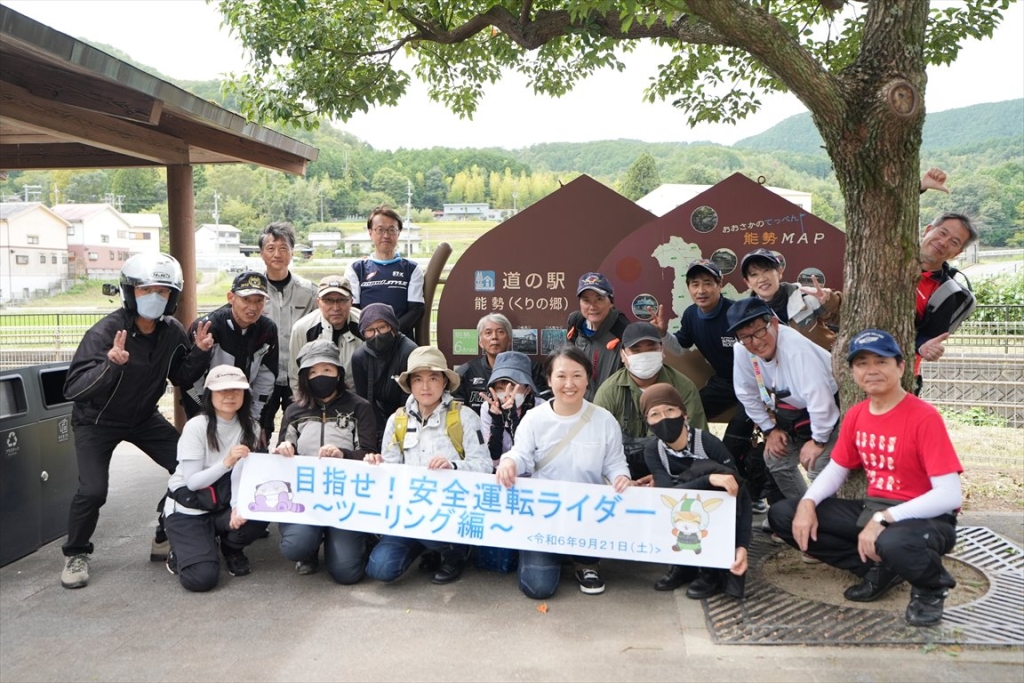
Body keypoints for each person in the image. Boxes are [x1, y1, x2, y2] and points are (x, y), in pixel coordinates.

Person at [768, 329, 963, 627]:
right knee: (784, 514)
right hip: (874, 509)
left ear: (900, 367)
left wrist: (885, 518)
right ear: (852, 372)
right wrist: (808, 501)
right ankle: (879, 568)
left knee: (895, 542)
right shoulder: (857, 414)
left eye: (881, 361)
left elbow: (949, 495)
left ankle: (930, 588)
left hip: (927, 519)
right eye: (862, 363)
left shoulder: (924, 417)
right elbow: (837, 468)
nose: (871, 370)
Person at [59, 253, 212, 590]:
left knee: (187, 467)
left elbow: (181, 376)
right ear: (129, 292)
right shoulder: (106, 332)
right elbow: (74, 389)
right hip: (96, 421)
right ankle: (76, 553)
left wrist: (199, 352)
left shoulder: (171, 332)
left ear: (173, 297)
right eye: (145, 290)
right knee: (93, 490)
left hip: (143, 417)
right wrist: (111, 365)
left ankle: (164, 532)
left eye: (162, 291)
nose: (154, 297)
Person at [496, 345, 633, 599]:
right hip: (544, 514)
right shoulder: (535, 419)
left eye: (577, 375)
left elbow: (614, 463)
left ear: (587, 378)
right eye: (561, 376)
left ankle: (585, 562)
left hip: (587, 515)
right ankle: (545, 554)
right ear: (549, 380)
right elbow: (521, 454)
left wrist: (621, 478)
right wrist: (509, 462)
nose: (569, 383)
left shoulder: (604, 420)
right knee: (539, 587)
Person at [364, 346, 491, 585]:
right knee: (380, 569)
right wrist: (376, 465)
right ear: (409, 383)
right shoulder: (397, 420)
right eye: (418, 379)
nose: (425, 386)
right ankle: (427, 548)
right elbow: (390, 470)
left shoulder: (464, 417)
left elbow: (484, 465)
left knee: (435, 535)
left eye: (433, 378)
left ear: (445, 382)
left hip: (451, 510)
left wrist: (453, 466)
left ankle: (456, 553)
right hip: (410, 512)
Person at [651, 259, 763, 511]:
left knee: (735, 440)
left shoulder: (736, 312)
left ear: (719, 285)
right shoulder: (691, 314)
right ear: (689, 288)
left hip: (753, 385)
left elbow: (760, 352)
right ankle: (691, 479)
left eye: (708, 283)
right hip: (723, 383)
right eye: (694, 284)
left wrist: (765, 397)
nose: (701, 290)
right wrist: (661, 333)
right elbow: (680, 346)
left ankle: (749, 497)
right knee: (687, 418)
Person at [273, 340, 376, 583]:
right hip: (306, 496)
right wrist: (284, 449)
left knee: (347, 574)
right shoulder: (294, 410)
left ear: (339, 373)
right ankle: (308, 549)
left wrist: (343, 454)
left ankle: (353, 537)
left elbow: (370, 454)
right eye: (313, 371)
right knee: (294, 547)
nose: (321, 376)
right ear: (304, 377)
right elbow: (282, 453)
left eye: (327, 370)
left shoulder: (359, 407)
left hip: (346, 497)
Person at [162, 365, 270, 592]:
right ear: (210, 394)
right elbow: (192, 483)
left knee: (259, 511)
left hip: (222, 501)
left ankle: (230, 548)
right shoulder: (196, 427)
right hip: (189, 507)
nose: (230, 395)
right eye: (222, 391)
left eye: (236, 390)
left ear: (245, 394)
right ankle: (180, 547)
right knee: (201, 579)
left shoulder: (252, 426)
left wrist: (238, 507)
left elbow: (247, 474)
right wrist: (226, 462)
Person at [641, 383, 751, 597]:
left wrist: (742, 545)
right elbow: (667, 496)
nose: (664, 418)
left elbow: (739, 490)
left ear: (684, 414)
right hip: (680, 512)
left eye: (670, 410)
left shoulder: (706, 443)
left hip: (714, 514)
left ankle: (712, 571)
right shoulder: (654, 450)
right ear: (648, 422)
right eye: (655, 414)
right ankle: (682, 566)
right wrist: (708, 479)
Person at [728, 298, 840, 501]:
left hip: (831, 409)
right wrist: (769, 429)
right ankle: (802, 509)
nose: (755, 342)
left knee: (817, 466)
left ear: (774, 323)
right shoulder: (742, 349)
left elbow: (820, 399)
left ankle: (829, 520)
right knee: (775, 458)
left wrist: (818, 441)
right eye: (745, 337)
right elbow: (745, 392)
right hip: (792, 412)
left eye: (760, 331)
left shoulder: (795, 349)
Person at [593, 321, 707, 482]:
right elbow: (596, 446)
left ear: (662, 351)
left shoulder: (683, 388)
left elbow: (697, 443)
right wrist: (620, 477)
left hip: (673, 474)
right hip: (620, 477)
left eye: (651, 349)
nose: (644, 355)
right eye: (636, 350)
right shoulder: (609, 392)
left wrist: (666, 476)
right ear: (623, 356)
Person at [184, 271, 279, 450]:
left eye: (259, 300)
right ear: (231, 297)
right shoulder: (206, 326)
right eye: (246, 299)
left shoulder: (268, 330)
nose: (252, 307)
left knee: (251, 456)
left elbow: (266, 377)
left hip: (245, 405)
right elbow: (189, 379)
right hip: (207, 406)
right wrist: (203, 415)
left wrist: (255, 419)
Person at [258, 222, 317, 441]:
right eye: (271, 248)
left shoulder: (309, 291)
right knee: (258, 431)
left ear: (292, 253)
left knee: (298, 432)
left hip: (299, 375)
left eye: (283, 248)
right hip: (263, 375)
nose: (277, 254)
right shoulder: (253, 291)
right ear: (262, 253)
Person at [915, 210, 979, 393]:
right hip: (851, 364)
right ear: (928, 230)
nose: (943, 243)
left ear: (957, 253)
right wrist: (921, 188)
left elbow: (928, 338)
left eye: (954, 242)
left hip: (899, 376)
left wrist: (924, 347)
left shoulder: (947, 294)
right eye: (942, 233)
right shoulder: (885, 260)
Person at [344, 205, 425, 338]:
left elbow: (416, 310)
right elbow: (354, 310)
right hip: (366, 340)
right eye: (380, 230)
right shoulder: (356, 269)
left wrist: (390, 334)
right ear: (370, 232)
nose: (386, 235)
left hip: (401, 340)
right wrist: (373, 334)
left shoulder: (412, 269)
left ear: (399, 233)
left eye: (391, 230)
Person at [739, 248, 841, 351]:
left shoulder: (805, 296)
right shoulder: (749, 316)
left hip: (823, 363)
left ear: (779, 272)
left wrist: (831, 302)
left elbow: (849, 319)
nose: (762, 279)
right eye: (754, 274)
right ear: (747, 282)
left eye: (766, 270)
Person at [350, 303, 418, 450]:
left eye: (382, 327)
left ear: (392, 327)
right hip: (375, 416)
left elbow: (409, 397)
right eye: (370, 330)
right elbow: (364, 399)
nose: (377, 335)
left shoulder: (409, 352)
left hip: (406, 415)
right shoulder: (359, 357)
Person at [454, 312, 548, 414]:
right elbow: (456, 411)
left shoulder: (531, 368)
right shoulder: (466, 371)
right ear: (480, 342)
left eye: (500, 332)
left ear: (509, 340)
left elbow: (545, 406)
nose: (494, 337)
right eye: (488, 333)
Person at [289, 275, 363, 392]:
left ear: (351, 302)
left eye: (341, 300)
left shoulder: (364, 325)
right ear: (318, 302)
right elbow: (295, 376)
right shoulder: (302, 328)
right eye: (328, 300)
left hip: (356, 397)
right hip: (315, 397)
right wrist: (304, 406)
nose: (335, 307)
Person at [565, 272, 631, 400]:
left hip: (610, 406)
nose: (592, 306)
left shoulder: (623, 330)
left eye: (599, 299)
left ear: (611, 302)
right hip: (579, 405)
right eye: (586, 300)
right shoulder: (575, 322)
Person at [479, 351, 544, 470]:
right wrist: (497, 422)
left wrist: (513, 417)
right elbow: (492, 457)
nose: (506, 394)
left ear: (528, 389)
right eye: (500, 388)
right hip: (499, 474)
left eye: (513, 387)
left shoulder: (540, 408)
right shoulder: (487, 407)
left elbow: (531, 456)